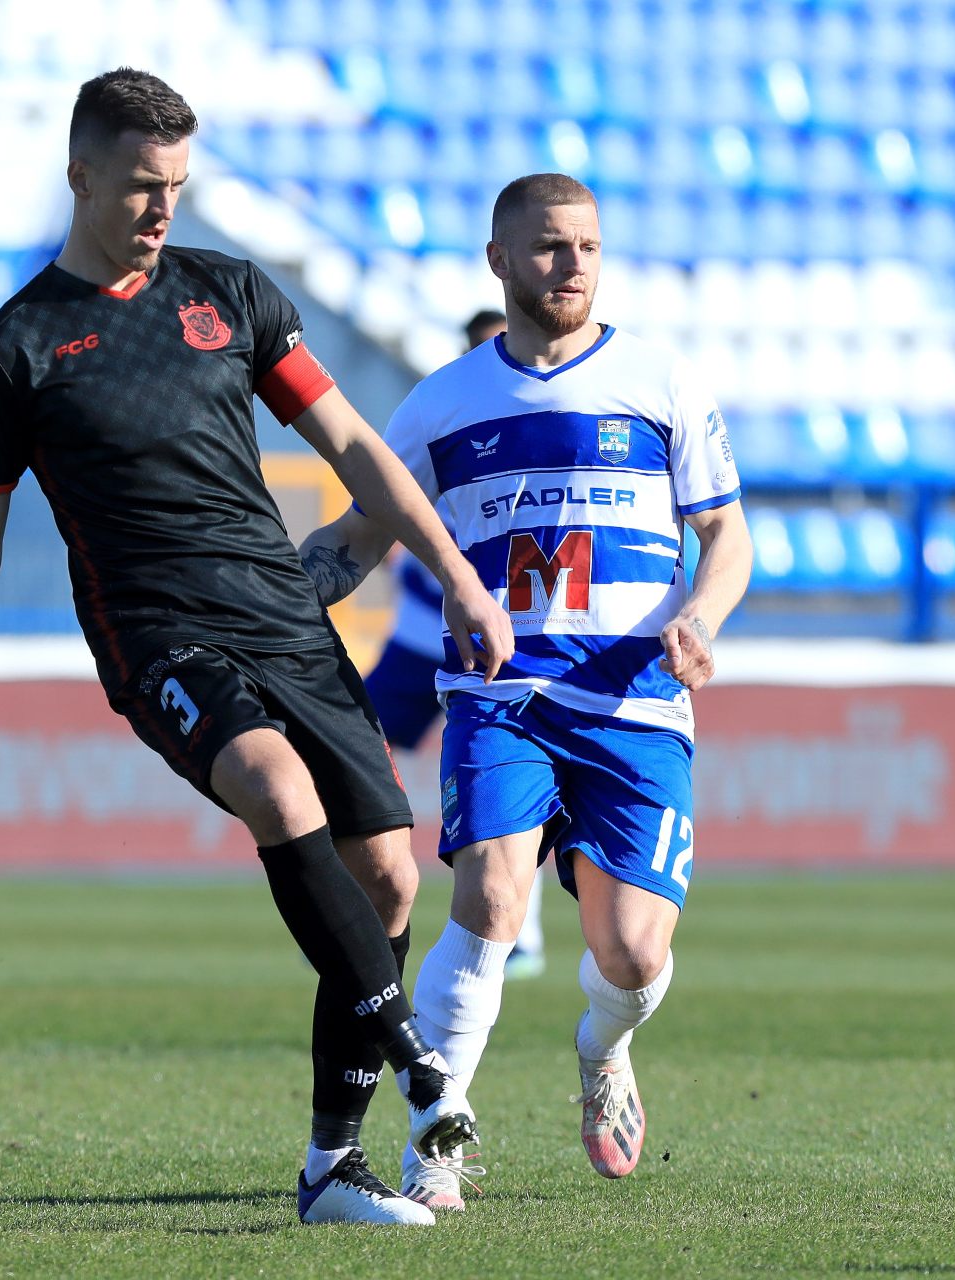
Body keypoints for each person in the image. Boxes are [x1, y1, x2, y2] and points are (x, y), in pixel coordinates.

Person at [0, 67, 515, 1228]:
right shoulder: (12, 347)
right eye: (138, 185)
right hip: (156, 628)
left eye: (177, 183)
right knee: (275, 788)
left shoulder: (228, 294)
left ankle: (332, 1165)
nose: (162, 207)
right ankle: (425, 1066)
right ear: (79, 174)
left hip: (283, 610)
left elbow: (356, 448)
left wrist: (460, 573)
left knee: (386, 873)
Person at [297, 173, 753, 1210]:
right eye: (549, 247)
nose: (572, 265)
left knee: (632, 953)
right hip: (503, 693)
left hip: (635, 699)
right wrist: (275, 594)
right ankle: (436, 1140)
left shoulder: (660, 381)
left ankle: (603, 1044)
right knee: (490, 897)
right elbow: (358, 536)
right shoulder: (445, 400)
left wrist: (704, 617)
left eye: (587, 246)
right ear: (499, 260)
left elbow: (727, 534)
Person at [362, 308, 549, 983]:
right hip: (422, 636)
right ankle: (365, 905)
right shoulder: (444, 416)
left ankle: (520, 932)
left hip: (509, 640)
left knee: (512, 780)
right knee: (355, 745)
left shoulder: (538, 424)